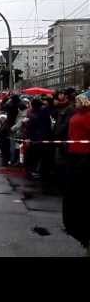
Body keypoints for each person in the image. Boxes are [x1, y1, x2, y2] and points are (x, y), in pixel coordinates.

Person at [62, 91, 90, 255]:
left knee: (80, 197)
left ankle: (84, 235)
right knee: (73, 197)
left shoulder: (87, 116)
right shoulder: (76, 114)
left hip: (84, 158)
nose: (76, 103)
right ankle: (79, 232)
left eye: (79, 101)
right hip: (73, 156)